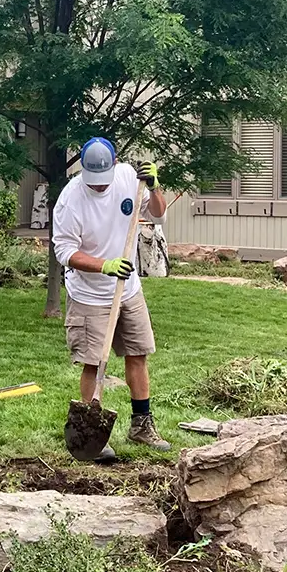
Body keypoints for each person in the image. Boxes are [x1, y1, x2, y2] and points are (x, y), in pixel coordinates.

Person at [52, 137, 170, 460]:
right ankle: (94, 434)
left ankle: (141, 425)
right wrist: (104, 265)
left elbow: (157, 213)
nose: (100, 188)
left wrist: (156, 187)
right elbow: (64, 251)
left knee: (138, 353)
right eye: (94, 182)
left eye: (104, 181)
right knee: (94, 362)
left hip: (128, 289)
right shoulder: (70, 200)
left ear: (114, 164)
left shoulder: (128, 179)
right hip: (89, 294)